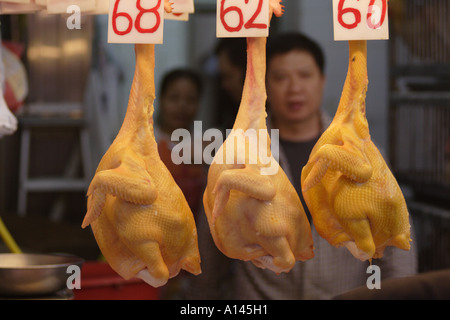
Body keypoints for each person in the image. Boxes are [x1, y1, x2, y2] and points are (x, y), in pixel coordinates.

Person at [184, 32, 417, 300]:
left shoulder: (363, 156)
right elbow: (210, 247)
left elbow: (397, 252)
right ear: (265, 84)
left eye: (305, 75)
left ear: (322, 81)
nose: (294, 87)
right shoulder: (237, 156)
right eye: (281, 77)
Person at [154, 68, 206, 219]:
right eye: (174, 98)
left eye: (190, 99)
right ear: (161, 99)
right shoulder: (146, 142)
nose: (182, 106)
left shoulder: (206, 146)